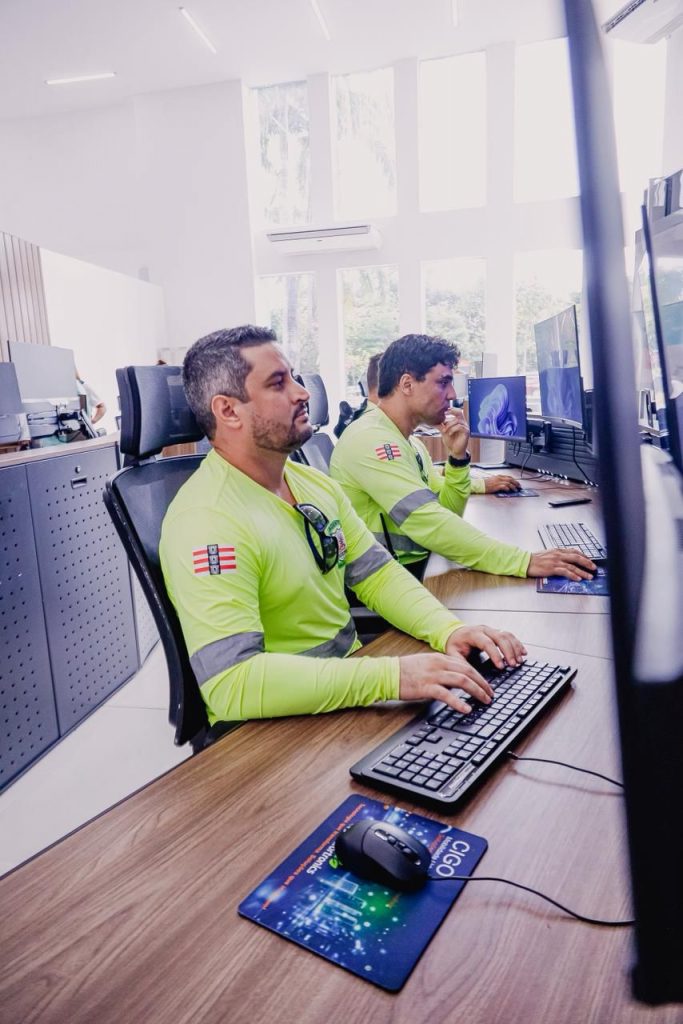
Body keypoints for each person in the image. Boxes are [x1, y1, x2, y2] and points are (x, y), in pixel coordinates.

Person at [159, 325, 526, 725]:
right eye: (278, 383)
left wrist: (449, 630)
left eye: (294, 377)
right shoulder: (207, 521)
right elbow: (233, 684)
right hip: (271, 726)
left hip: (343, 689)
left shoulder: (311, 484)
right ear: (228, 411)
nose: (302, 393)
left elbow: (377, 574)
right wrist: (392, 676)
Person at [329, 333, 595, 581]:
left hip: (413, 567)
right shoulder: (371, 438)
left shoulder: (411, 443)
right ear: (407, 384)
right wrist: (523, 561)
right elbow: (431, 523)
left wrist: (457, 459)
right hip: (384, 579)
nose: (453, 395)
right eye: (443, 382)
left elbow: (447, 514)